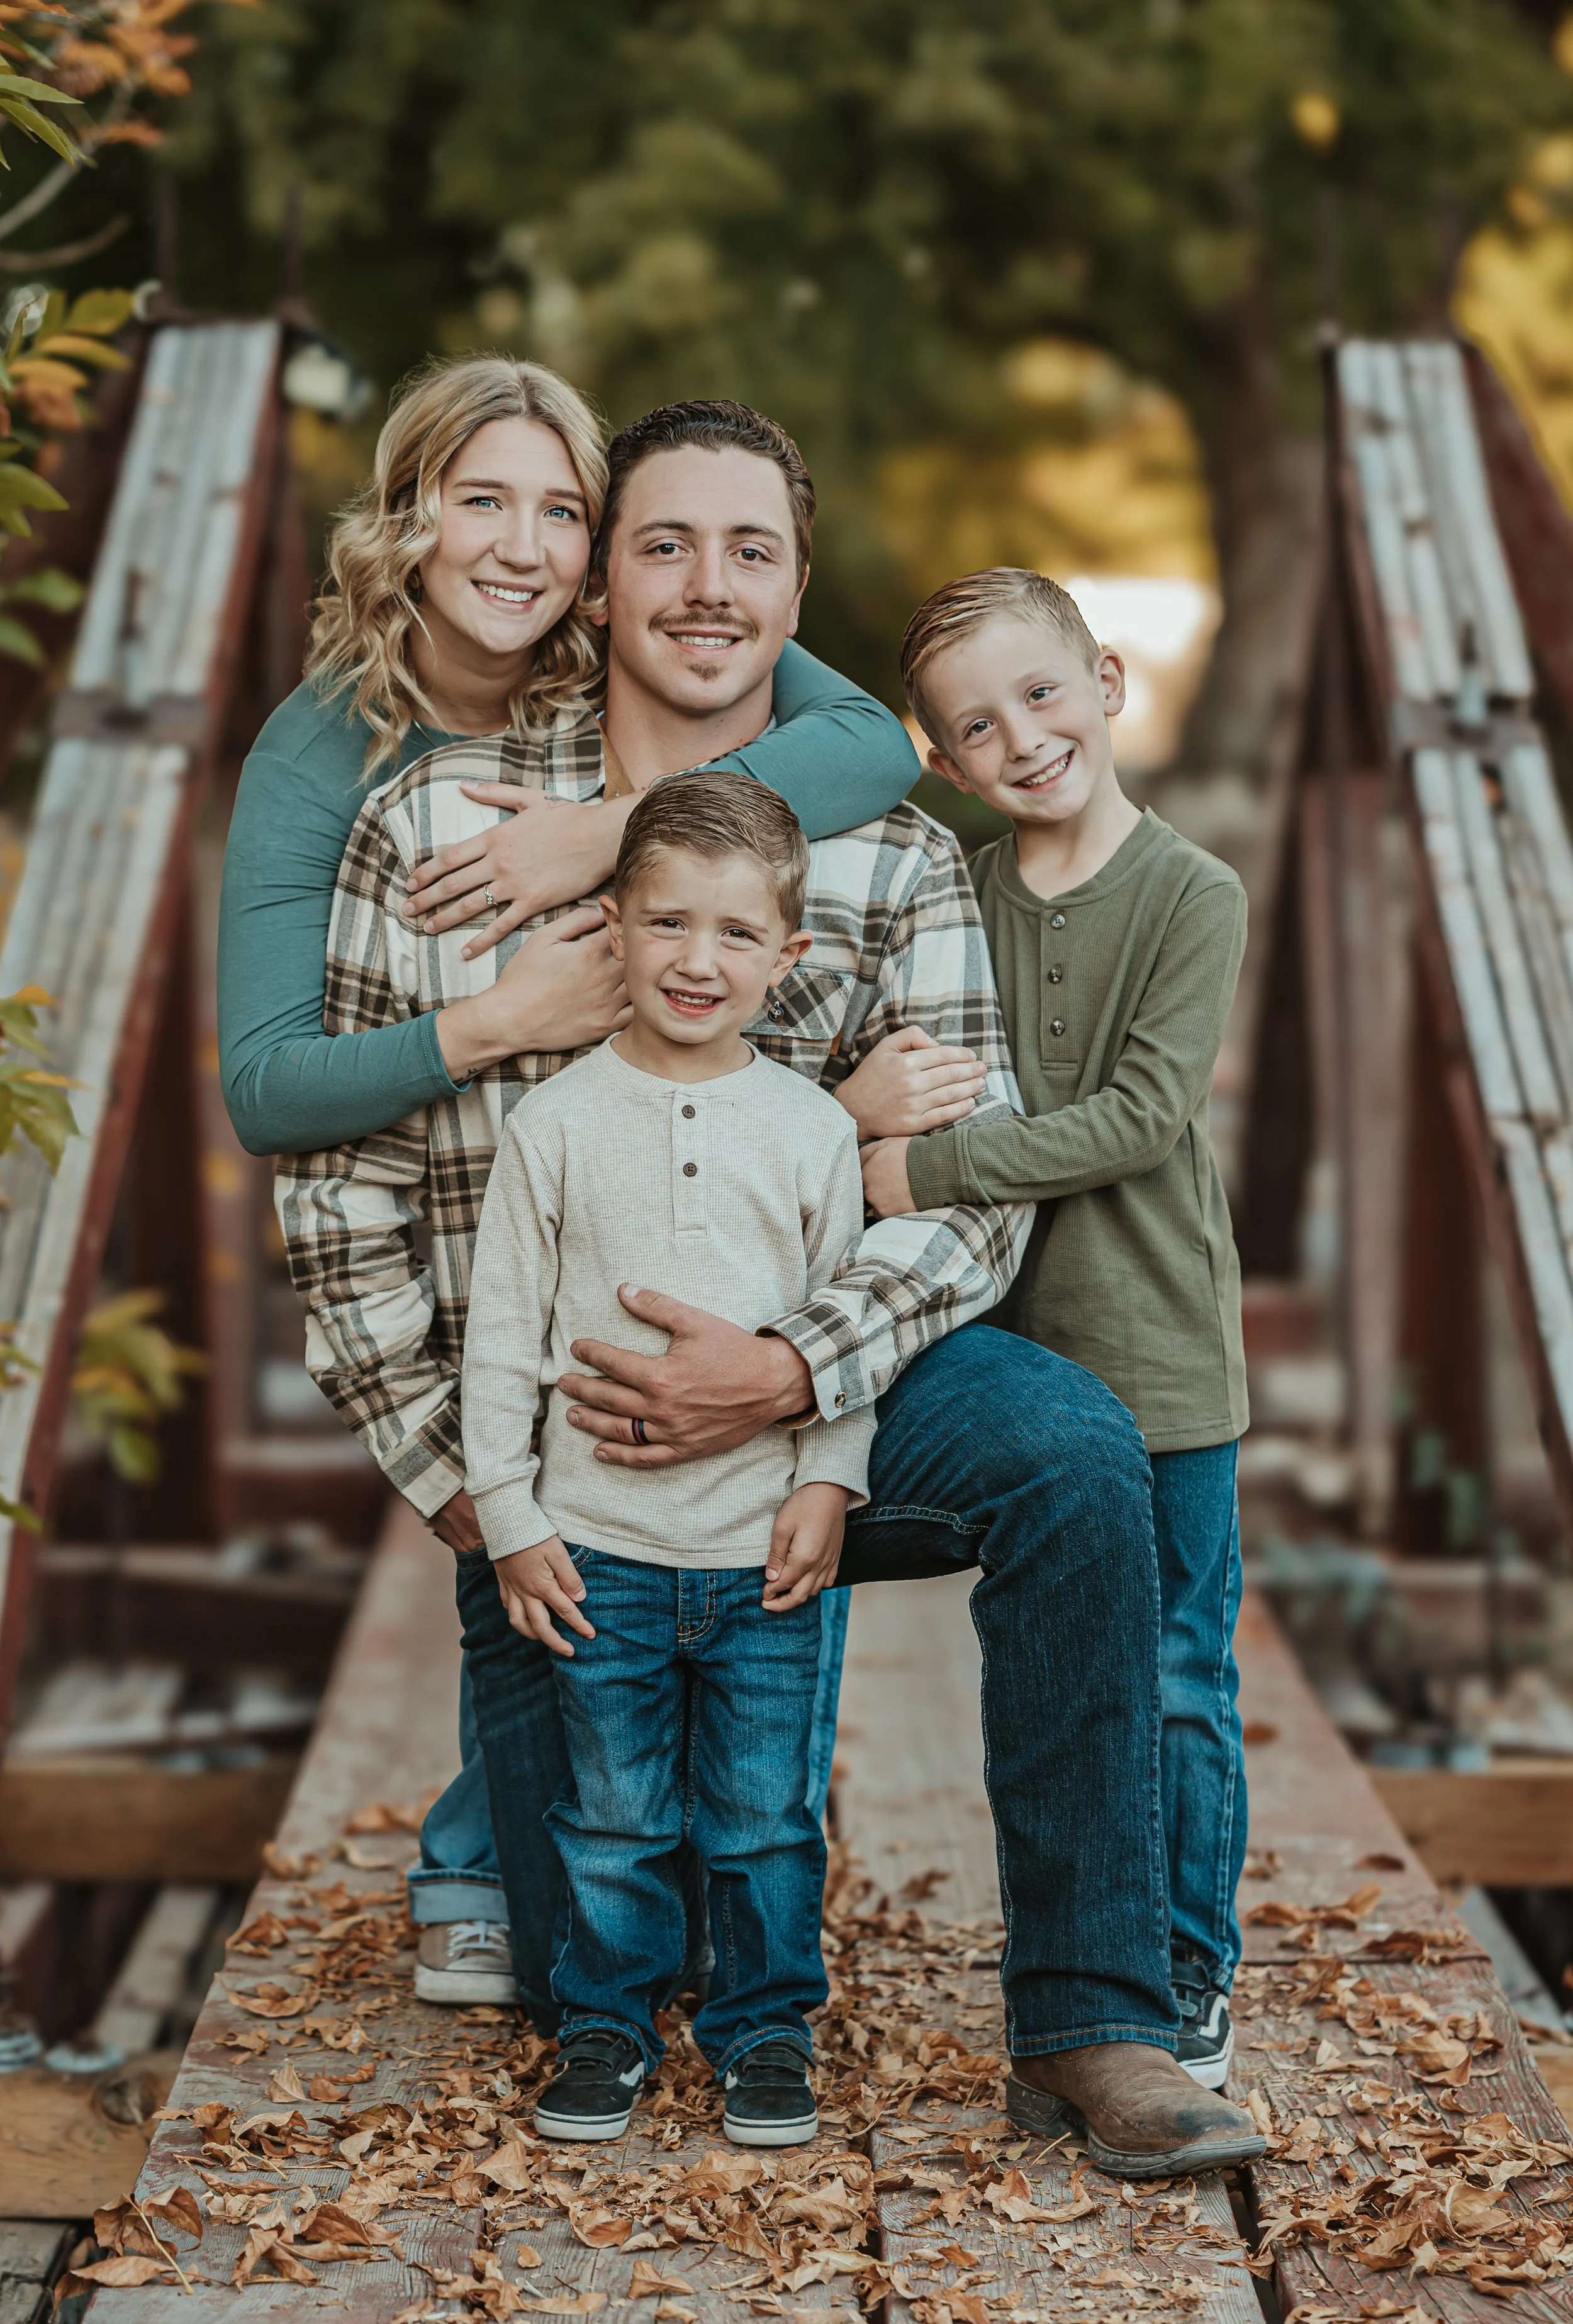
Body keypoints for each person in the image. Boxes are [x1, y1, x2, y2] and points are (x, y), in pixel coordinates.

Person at [276, 391, 1264, 2178]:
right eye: (661, 542)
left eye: (750, 548)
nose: (706, 584)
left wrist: (793, 1376)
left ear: (796, 581)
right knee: (585, 1989)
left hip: (828, 1406)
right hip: (557, 1445)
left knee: (1071, 1448)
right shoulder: (446, 815)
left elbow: (966, 1210)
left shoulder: (889, 850)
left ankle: (1098, 2012)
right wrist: (472, 1489)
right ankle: (568, 1904)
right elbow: (336, 1197)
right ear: (599, 582)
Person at [219, 353, 925, 2003]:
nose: (528, 548)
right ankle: (491, 1827)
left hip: (669, 1296)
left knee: (697, 1874)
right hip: (483, 1284)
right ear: (404, 519)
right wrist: (503, 1014)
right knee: (587, 1902)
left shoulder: (613, 660)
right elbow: (271, 1090)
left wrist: (603, 831)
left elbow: (869, 746)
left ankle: (541, 1825)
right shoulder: (339, 750)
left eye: (563, 510)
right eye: (482, 502)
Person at [859, 567, 1250, 2090]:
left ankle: (1184, 1962)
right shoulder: (947, 889)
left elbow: (1141, 1117)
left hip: (1154, 1350)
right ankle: (1085, 1951)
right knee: (1068, 1669)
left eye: (1039, 694)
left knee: (1175, 1670)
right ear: (941, 759)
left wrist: (922, 1164)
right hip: (1006, 1354)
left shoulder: (1188, 893)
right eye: (976, 724)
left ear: (1102, 680)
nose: (1020, 738)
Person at [463, 773, 873, 2146]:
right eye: (667, 924)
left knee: (764, 1816)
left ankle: (764, 2034)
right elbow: (503, 1335)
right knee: (617, 1814)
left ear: (786, 956)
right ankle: (606, 2025)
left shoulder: (813, 1129)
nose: (698, 961)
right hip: (600, 1552)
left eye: (735, 934)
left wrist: (829, 1478)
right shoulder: (555, 1122)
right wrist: (514, 1517)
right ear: (614, 926)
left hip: (760, 1549)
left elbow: (839, 1328)